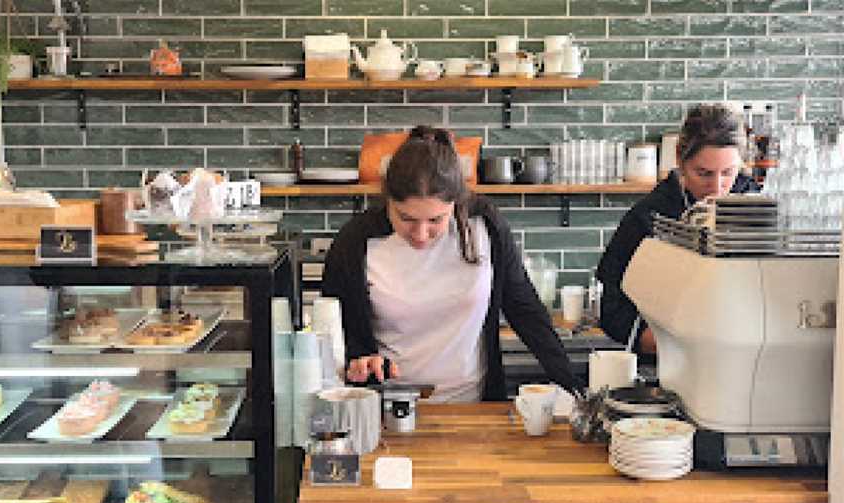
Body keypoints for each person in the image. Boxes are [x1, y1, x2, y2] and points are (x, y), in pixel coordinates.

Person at [321, 125, 579, 402]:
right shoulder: (355, 242)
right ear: (387, 202)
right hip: (387, 410)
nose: (421, 235)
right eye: (406, 218)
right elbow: (332, 333)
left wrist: (572, 386)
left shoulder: (486, 227)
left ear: (456, 203)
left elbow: (525, 310)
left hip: (473, 408)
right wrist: (357, 361)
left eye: (435, 220)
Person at [596, 104, 760, 355]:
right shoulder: (648, 217)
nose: (717, 187)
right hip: (670, 362)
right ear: (681, 160)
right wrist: (671, 345)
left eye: (728, 173)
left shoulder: (758, 208)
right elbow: (612, 310)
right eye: (703, 173)